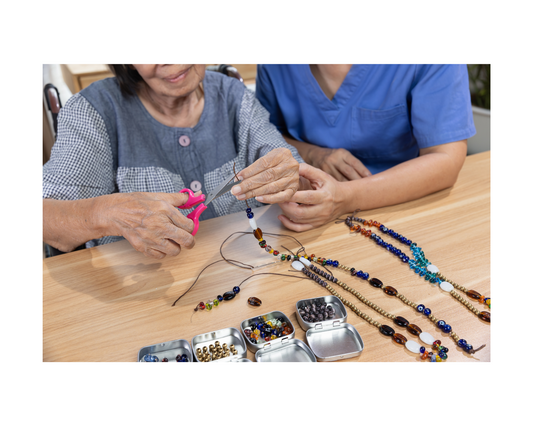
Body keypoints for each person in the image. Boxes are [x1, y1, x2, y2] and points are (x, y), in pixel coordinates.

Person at [43, 65, 302, 258]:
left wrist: (290, 175)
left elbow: (297, 177)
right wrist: (105, 213)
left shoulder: (233, 94)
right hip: (139, 302)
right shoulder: (93, 110)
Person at [255, 64, 476, 231]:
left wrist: (344, 197)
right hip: (304, 216)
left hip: (407, 211)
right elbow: (265, 135)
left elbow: (446, 159)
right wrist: (313, 153)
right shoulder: (274, 66)